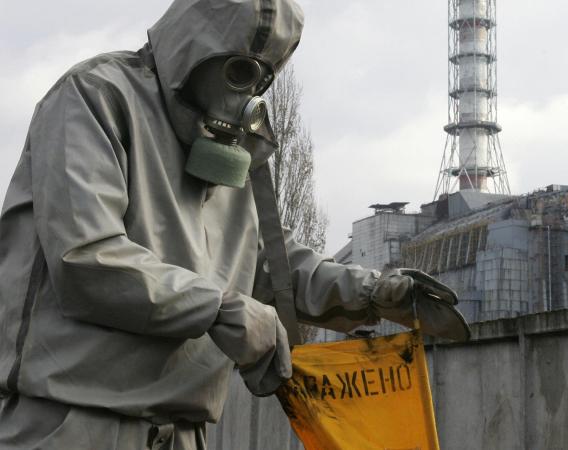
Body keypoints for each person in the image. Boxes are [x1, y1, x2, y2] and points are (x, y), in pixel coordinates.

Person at [0, 0, 468, 448]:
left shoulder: (224, 147)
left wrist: (372, 293)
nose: (246, 90)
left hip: (182, 428)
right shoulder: (96, 96)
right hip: (73, 422)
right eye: (239, 68)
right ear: (191, 48)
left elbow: (266, 262)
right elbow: (87, 258)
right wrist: (220, 308)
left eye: (263, 74)